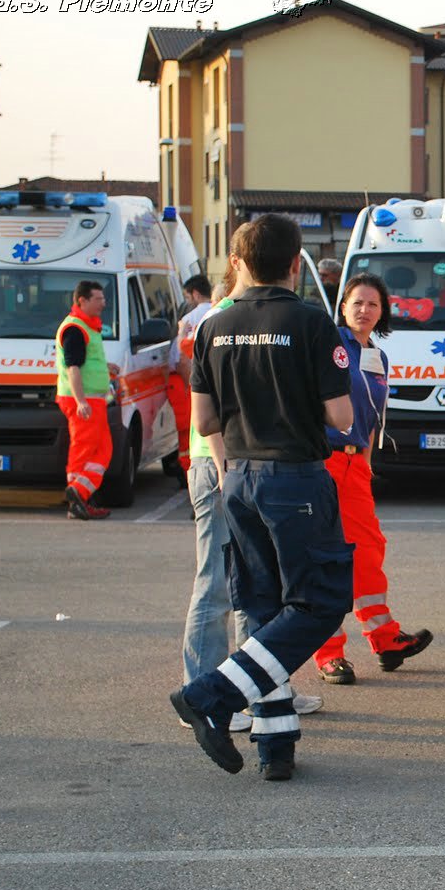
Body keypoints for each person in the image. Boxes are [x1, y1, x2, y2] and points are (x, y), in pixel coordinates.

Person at [172, 214, 354, 782]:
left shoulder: (212, 326)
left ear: (239, 263)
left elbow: (204, 418)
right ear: (296, 263)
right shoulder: (310, 322)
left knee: (260, 606)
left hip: (237, 476)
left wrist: (232, 470)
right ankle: (212, 693)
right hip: (295, 475)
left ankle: (274, 745)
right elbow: (341, 416)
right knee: (319, 604)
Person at [179, 238, 322, 733]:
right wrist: (223, 469)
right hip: (224, 468)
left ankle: (257, 686)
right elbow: (207, 420)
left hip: (246, 468)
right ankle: (204, 689)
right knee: (219, 588)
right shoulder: (219, 320)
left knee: (259, 590)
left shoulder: (252, 317)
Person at [312, 273, 433, 684]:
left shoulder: (377, 357)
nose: (364, 310)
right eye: (357, 303)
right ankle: (329, 654)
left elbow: (370, 416)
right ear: (343, 307)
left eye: (373, 304)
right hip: (323, 462)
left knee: (369, 550)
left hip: (355, 464)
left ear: (383, 312)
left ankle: (385, 640)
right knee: (326, 557)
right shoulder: (329, 346)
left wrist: (364, 459)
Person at [55, 279, 115, 521]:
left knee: (92, 451)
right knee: (92, 451)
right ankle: (78, 493)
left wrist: (106, 367)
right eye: (98, 299)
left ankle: (79, 498)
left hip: (90, 399)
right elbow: (73, 368)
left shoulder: (85, 326)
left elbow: (82, 363)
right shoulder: (76, 328)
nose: (104, 303)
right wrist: (81, 401)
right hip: (84, 400)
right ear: (82, 300)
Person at [167, 274, 213, 477]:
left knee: (189, 431)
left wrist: (191, 387)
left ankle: (188, 472)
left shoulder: (189, 320)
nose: (186, 301)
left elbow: (181, 359)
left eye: (187, 296)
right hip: (214, 386)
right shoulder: (219, 313)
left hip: (192, 384)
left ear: (195, 294)